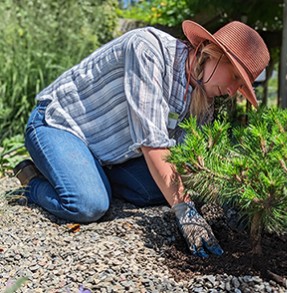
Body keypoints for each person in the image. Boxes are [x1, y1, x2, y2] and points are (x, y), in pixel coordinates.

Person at [13, 20, 270, 258]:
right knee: (88, 205)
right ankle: (33, 181)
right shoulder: (149, 50)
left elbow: (187, 161)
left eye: (242, 85)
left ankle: (89, 175)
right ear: (212, 53)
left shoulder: (202, 98)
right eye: (235, 77)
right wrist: (185, 211)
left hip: (111, 150)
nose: (233, 90)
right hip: (62, 125)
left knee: (153, 191)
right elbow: (152, 142)